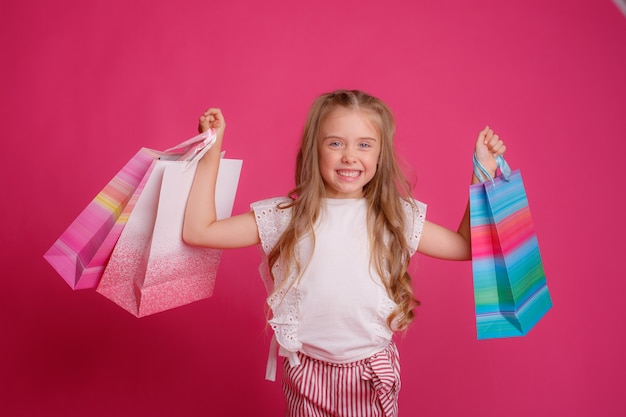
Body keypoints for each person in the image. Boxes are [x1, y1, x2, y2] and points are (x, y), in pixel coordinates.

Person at [183, 89, 506, 417]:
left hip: (370, 373)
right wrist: (210, 149)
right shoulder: (284, 217)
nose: (350, 156)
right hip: (306, 374)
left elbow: (465, 245)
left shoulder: (395, 217)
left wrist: (482, 170)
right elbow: (199, 231)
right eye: (335, 143)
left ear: (381, 155)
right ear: (314, 150)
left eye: (364, 144)